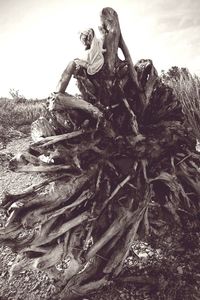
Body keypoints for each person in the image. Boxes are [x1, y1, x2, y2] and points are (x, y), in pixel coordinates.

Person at [56, 28, 106, 94]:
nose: (83, 43)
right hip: (90, 68)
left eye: (84, 41)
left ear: (88, 39)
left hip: (94, 71)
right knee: (73, 64)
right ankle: (59, 88)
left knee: (72, 64)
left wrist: (79, 62)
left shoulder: (94, 49)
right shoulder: (96, 44)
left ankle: (60, 89)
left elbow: (90, 63)